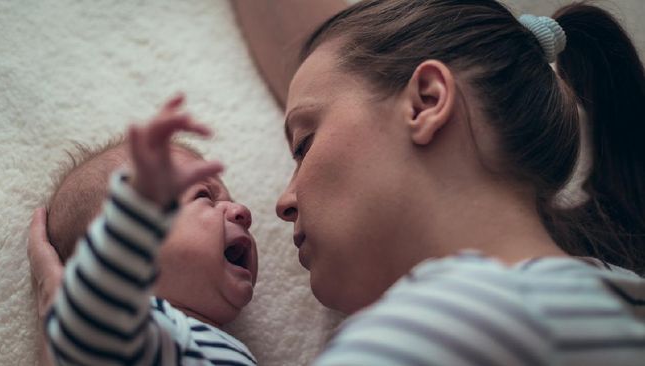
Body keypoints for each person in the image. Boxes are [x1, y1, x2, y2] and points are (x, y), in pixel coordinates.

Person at [31, 0, 645, 364]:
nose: (278, 202)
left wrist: (70, 325)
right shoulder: (611, 291)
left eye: (303, 144)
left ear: (427, 101)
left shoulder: (450, 322)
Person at [37, 95, 258, 365]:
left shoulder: (206, 342)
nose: (241, 212)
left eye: (230, 201)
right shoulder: (147, 329)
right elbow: (84, 323)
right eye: (204, 196)